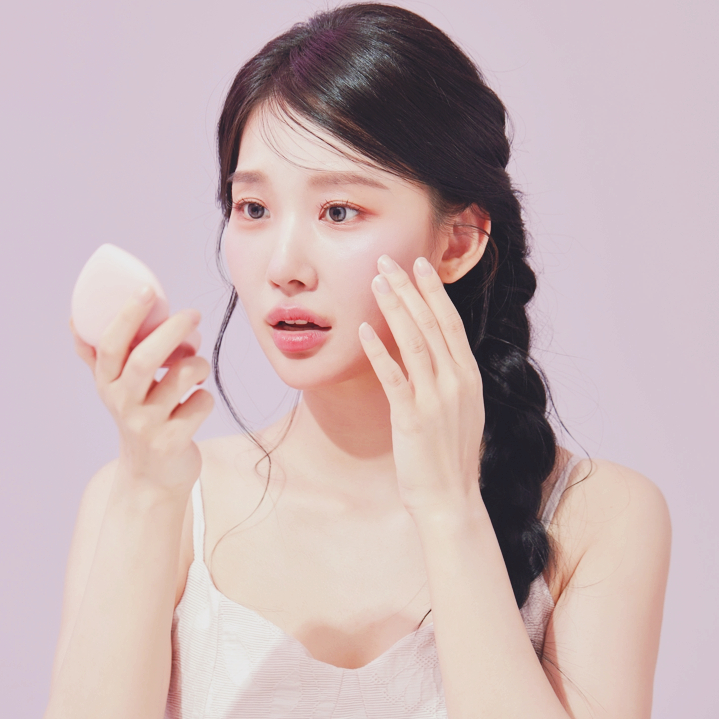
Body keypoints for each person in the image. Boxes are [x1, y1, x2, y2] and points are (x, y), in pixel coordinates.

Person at [46, 4, 671, 718]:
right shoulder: (154, 498)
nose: (283, 266)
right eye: (253, 209)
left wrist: (449, 510)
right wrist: (148, 493)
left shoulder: (599, 517)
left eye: (339, 211)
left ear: (458, 242)